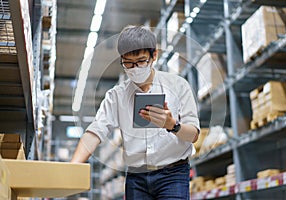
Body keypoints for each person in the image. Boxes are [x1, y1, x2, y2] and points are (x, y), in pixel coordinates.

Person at [71, 25, 200, 199]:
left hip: (173, 174)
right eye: (128, 63)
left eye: (141, 61)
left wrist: (172, 125)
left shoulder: (178, 86)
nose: (135, 68)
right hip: (136, 178)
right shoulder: (116, 96)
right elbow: (95, 132)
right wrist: (72, 168)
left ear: (154, 56)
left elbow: (193, 135)